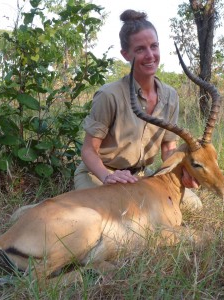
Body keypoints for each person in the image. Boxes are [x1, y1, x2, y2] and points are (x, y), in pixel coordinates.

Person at [74, 9, 202, 211]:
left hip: (141, 173)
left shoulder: (170, 96)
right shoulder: (110, 95)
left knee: (194, 205)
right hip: (102, 173)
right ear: (126, 54)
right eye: (140, 49)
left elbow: (169, 148)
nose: (150, 55)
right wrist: (108, 176)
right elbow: (89, 150)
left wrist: (182, 171)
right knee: (124, 210)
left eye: (154, 46)